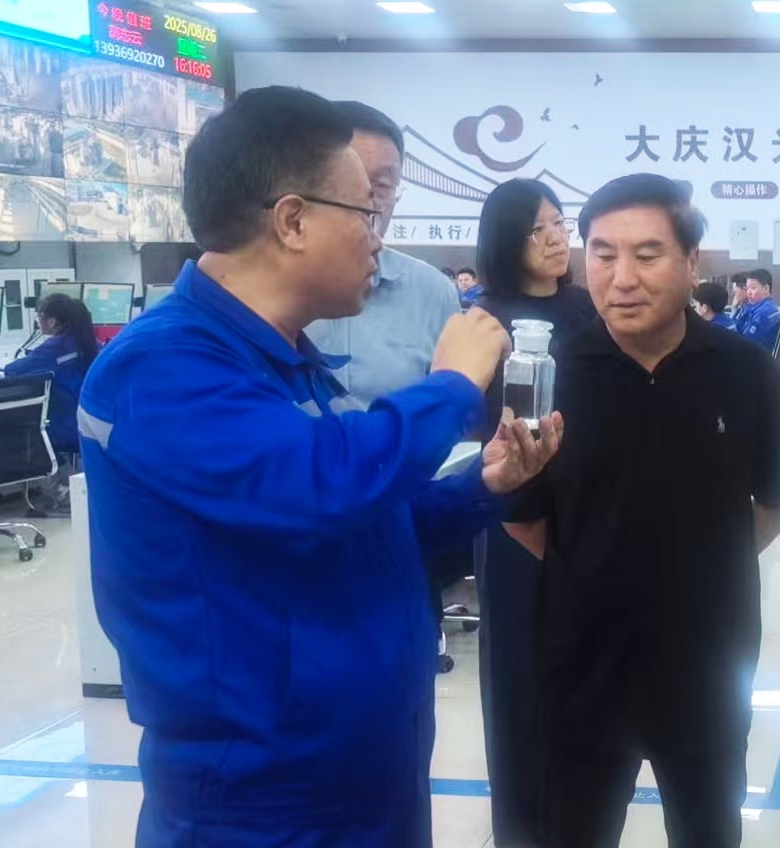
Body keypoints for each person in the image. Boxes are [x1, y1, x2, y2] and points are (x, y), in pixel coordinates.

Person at [76, 86, 561, 847]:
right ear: (293, 220)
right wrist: (450, 386)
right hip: (260, 804)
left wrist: (484, 485)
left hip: (364, 776)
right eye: (364, 212)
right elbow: (319, 486)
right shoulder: (162, 368)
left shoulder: (287, 362)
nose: (378, 238)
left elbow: (363, 524)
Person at [504, 174, 780, 847]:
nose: (622, 278)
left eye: (647, 255)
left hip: (708, 660)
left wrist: (700, 561)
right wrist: (597, 567)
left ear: (692, 262)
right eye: (603, 254)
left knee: (708, 831)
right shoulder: (552, 373)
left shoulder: (746, 371)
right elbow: (520, 514)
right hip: (583, 663)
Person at [470, 177, 599, 848]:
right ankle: (519, 833)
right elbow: (468, 432)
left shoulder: (589, 309)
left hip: (587, 516)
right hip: (513, 520)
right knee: (518, 687)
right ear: (506, 241)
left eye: (559, 223)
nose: (555, 238)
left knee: (585, 679)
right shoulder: (483, 323)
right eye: (536, 228)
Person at [305, 100, 461, 409]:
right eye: (352, 181)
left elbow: (448, 415)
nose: (369, 202)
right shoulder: (270, 288)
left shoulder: (434, 293)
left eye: (383, 185)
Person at [6, 293, 98, 454]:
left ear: (52, 322)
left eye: (39, 317)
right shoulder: (90, 343)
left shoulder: (54, 348)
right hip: (94, 425)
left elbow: (12, 371)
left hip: (65, 429)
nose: (37, 322)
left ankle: (57, 467)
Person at [736, 268, 780, 353]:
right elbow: (739, 327)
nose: (749, 292)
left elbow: (748, 340)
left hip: (756, 356)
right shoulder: (757, 307)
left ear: (766, 288)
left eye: (753, 288)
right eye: (747, 288)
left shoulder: (766, 312)